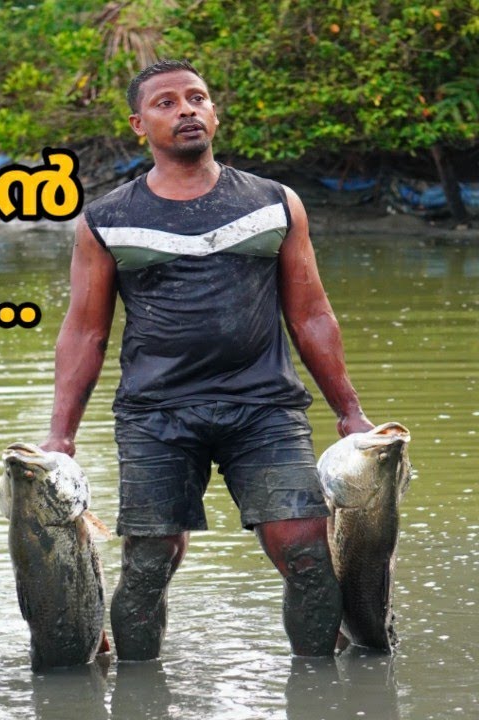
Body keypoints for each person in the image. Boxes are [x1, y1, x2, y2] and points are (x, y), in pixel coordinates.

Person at [39, 59, 374, 659]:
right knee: (146, 564)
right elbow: (85, 333)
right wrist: (60, 436)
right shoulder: (106, 220)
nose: (187, 109)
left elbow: (312, 315)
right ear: (139, 125)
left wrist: (350, 412)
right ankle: (139, 688)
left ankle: (320, 684)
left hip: (265, 408)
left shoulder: (276, 203)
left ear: (214, 112)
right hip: (155, 415)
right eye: (166, 103)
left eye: (197, 98)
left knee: (305, 552)